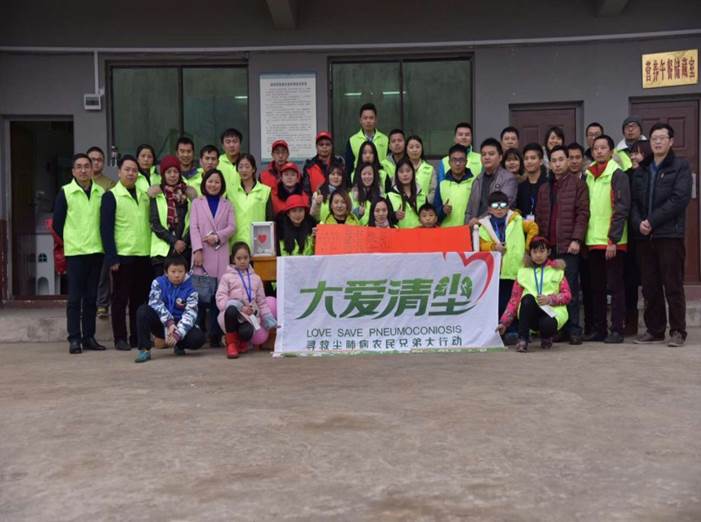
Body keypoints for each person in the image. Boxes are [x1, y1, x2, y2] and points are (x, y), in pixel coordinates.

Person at [631, 123, 692, 347]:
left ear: (671, 141)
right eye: (654, 138)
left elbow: (679, 199)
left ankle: (677, 331)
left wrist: (652, 221)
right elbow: (633, 203)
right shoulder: (642, 169)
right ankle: (655, 330)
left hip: (669, 235)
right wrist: (639, 223)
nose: (657, 142)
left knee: (672, 284)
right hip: (644, 237)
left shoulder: (680, 166)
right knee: (650, 285)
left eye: (662, 138)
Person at [535, 145, 590, 345]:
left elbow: (583, 214)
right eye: (554, 161)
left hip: (568, 245)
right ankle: (558, 328)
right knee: (552, 289)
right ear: (549, 164)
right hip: (548, 248)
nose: (557, 164)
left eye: (561, 160)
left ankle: (574, 329)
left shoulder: (578, 185)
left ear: (567, 161)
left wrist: (576, 239)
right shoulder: (544, 188)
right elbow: (539, 216)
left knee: (570, 289)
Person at [52, 153, 106, 354]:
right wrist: (72, 239)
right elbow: (57, 224)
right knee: (75, 298)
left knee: (91, 297)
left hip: (96, 250)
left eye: (87, 166)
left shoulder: (100, 192)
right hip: (75, 252)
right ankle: (74, 338)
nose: (83, 170)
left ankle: (89, 337)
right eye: (79, 167)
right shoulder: (66, 192)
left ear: (92, 170)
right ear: (73, 171)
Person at [100, 155, 152, 350]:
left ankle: (137, 337)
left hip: (143, 254)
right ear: (119, 172)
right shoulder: (111, 196)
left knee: (139, 300)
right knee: (120, 299)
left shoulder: (144, 195)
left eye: (134, 170)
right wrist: (112, 257)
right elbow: (106, 229)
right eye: (127, 169)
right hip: (123, 256)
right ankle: (120, 338)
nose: (131, 173)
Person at [583, 135, 631, 343]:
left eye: (603, 148)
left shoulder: (618, 174)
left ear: (611, 152)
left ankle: (617, 329)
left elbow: (621, 208)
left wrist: (613, 239)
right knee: (597, 288)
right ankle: (599, 329)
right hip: (593, 241)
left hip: (612, 242)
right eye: (596, 148)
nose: (599, 151)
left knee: (616, 287)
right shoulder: (588, 175)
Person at [479, 191, 538, 339]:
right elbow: (480, 244)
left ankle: (517, 330)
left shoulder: (517, 219)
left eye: (503, 205)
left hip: (515, 269)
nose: (499, 209)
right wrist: (493, 247)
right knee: (501, 302)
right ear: (489, 209)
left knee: (516, 302)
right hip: (497, 272)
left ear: (508, 207)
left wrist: (527, 249)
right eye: (495, 206)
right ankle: (503, 331)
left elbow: (533, 228)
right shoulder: (484, 225)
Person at [497, 237, 572, 352]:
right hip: (530, 312)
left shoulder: (557, 271)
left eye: (542, 251)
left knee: (547, 324)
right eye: (535, 251)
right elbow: (514, 300)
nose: (538, 255)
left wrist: (550, 299)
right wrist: (504, 323)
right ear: (530, 253)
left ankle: (546, 337)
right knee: (527, 299)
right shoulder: (522, 272)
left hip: (552, 312)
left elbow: (567, 295)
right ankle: (523, 339)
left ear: (548, 252)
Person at [190, 168, 236, 347]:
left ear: (221, 185)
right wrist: (197, 250)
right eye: (210, 181)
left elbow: (232, 227)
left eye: (217, 182)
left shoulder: (227, 204)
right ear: (204, 183)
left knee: (219, 296)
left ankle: (215, 335)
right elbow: (194, 228)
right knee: (200, 296)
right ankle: (197, 334)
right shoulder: (197, 203)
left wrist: (217, 237)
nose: (213, 185)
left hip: (221, 253)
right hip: (202, 255)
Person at [134, 255, 205, 363]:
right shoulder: (158, 283)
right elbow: (155, 303)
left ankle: (179, 344)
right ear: (166, 272)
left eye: (180, 271)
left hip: (180, 323)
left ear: (186, 272)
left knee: (198, 338)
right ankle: (144, 350)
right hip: (162, 323)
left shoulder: (192, 289)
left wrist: (178, 333)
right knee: (143, 310)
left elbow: (190, 314)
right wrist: (169, 322)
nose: (177, 275)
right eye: (173, 271)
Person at [216, 242, 277, 358]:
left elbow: (262, 302)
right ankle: (231, 344)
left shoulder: (256, 278)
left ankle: (240, 341)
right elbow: (220, 298)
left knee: (247, 332)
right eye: (239, 258)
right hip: (231, 315)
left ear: (249, 258)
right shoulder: (226, 277)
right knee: (231, 309)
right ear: (233, 259)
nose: (242, 261)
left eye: (245, 258)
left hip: (248, 317)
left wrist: (269, 319)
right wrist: (239, 307)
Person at [148, 155, 195, 276]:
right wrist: (174, 242)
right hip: (162, 251)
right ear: (163, 175)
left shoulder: (188, 196)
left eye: (175, 171)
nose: (173, 175)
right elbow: (154, 223)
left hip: (184, 250)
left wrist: (183, 242)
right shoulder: (157, 195)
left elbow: (193, 222)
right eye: (169, 172)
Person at [623, 140, 652, 335]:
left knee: (649, 281)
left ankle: (652, 324)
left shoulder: (652, 174)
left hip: (647, 234)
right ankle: (630, 322)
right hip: (629, 235)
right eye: (632, 153)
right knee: (629, 281)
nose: (634, 156)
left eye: (638, 153)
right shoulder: (625, 175)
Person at [87, 146, 115, 320]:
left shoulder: (109, 184)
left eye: (99, 160)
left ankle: (102, 305)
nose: (96, 162)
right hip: (84, 235)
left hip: (102, 232)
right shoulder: (79, 182)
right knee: (86, 273)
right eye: (92, 159)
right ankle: (87, 304)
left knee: (103, 273)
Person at [466, 138, 518, 223]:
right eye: (483, 154)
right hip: (475, 227)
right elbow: (469, 210)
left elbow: (502, 206)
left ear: (500, 157)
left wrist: (480, 221)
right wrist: (467, 227)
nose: (487, 157)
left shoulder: (508, 178)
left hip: (498, 227)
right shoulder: (477, 180)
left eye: (491, 154)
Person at [229, 154, 273, 249]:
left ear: (253, 169)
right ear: (237, 170)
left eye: (247, 166)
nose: (244, 170)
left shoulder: (265, 191)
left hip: (259, 243)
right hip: (236, 243)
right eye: (240, 167)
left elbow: (270, 218)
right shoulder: (230, 192)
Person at [434, 144, 475, 228]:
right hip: (447, 232)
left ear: (466, 162)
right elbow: (434, 211)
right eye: (454, 160)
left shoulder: (474, 182)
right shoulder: (442, 184)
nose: (458, 163)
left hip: (469, 230)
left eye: (461, 160)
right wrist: (442, 210)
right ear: (449, 162)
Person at [344, 103, 389, 173]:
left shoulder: (385, 139)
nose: (368, 121)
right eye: (365, 118)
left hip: (381, 177)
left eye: (371, 118)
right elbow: (349, 167)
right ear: (360, 120)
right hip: (359, 178)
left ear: (376, 120)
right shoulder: (352, 140)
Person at [388, 158, 426, 228]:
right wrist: (395, 216)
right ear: (397, 174)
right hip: (399, 234)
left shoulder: (422, 195)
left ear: (413, 172)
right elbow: (386, 220)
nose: (405, 174)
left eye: (408, 171)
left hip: (420, 233)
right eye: (401, 172)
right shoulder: (390, 196)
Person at [516, 143, 547, 220]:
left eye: (533, 158)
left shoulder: (548, 185)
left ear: (541, 161)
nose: (529, 161)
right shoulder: (520, 187)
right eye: (526, 158)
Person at [406, 135, 436, 203]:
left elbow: (433, 191)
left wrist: (425, 203)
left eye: (417, 147)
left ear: (422, 149)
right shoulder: (400, 168)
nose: (415, 150)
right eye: (411, 147)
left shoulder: (430, 169)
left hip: (425, 206)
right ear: (406, 150)